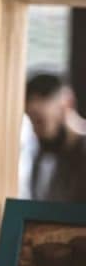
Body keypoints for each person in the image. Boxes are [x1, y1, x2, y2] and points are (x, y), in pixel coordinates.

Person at [24, 72, 86, 202]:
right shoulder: (44, 156)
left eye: (40, 121)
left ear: (68, 103)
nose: (36, 132)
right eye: (32, 122)